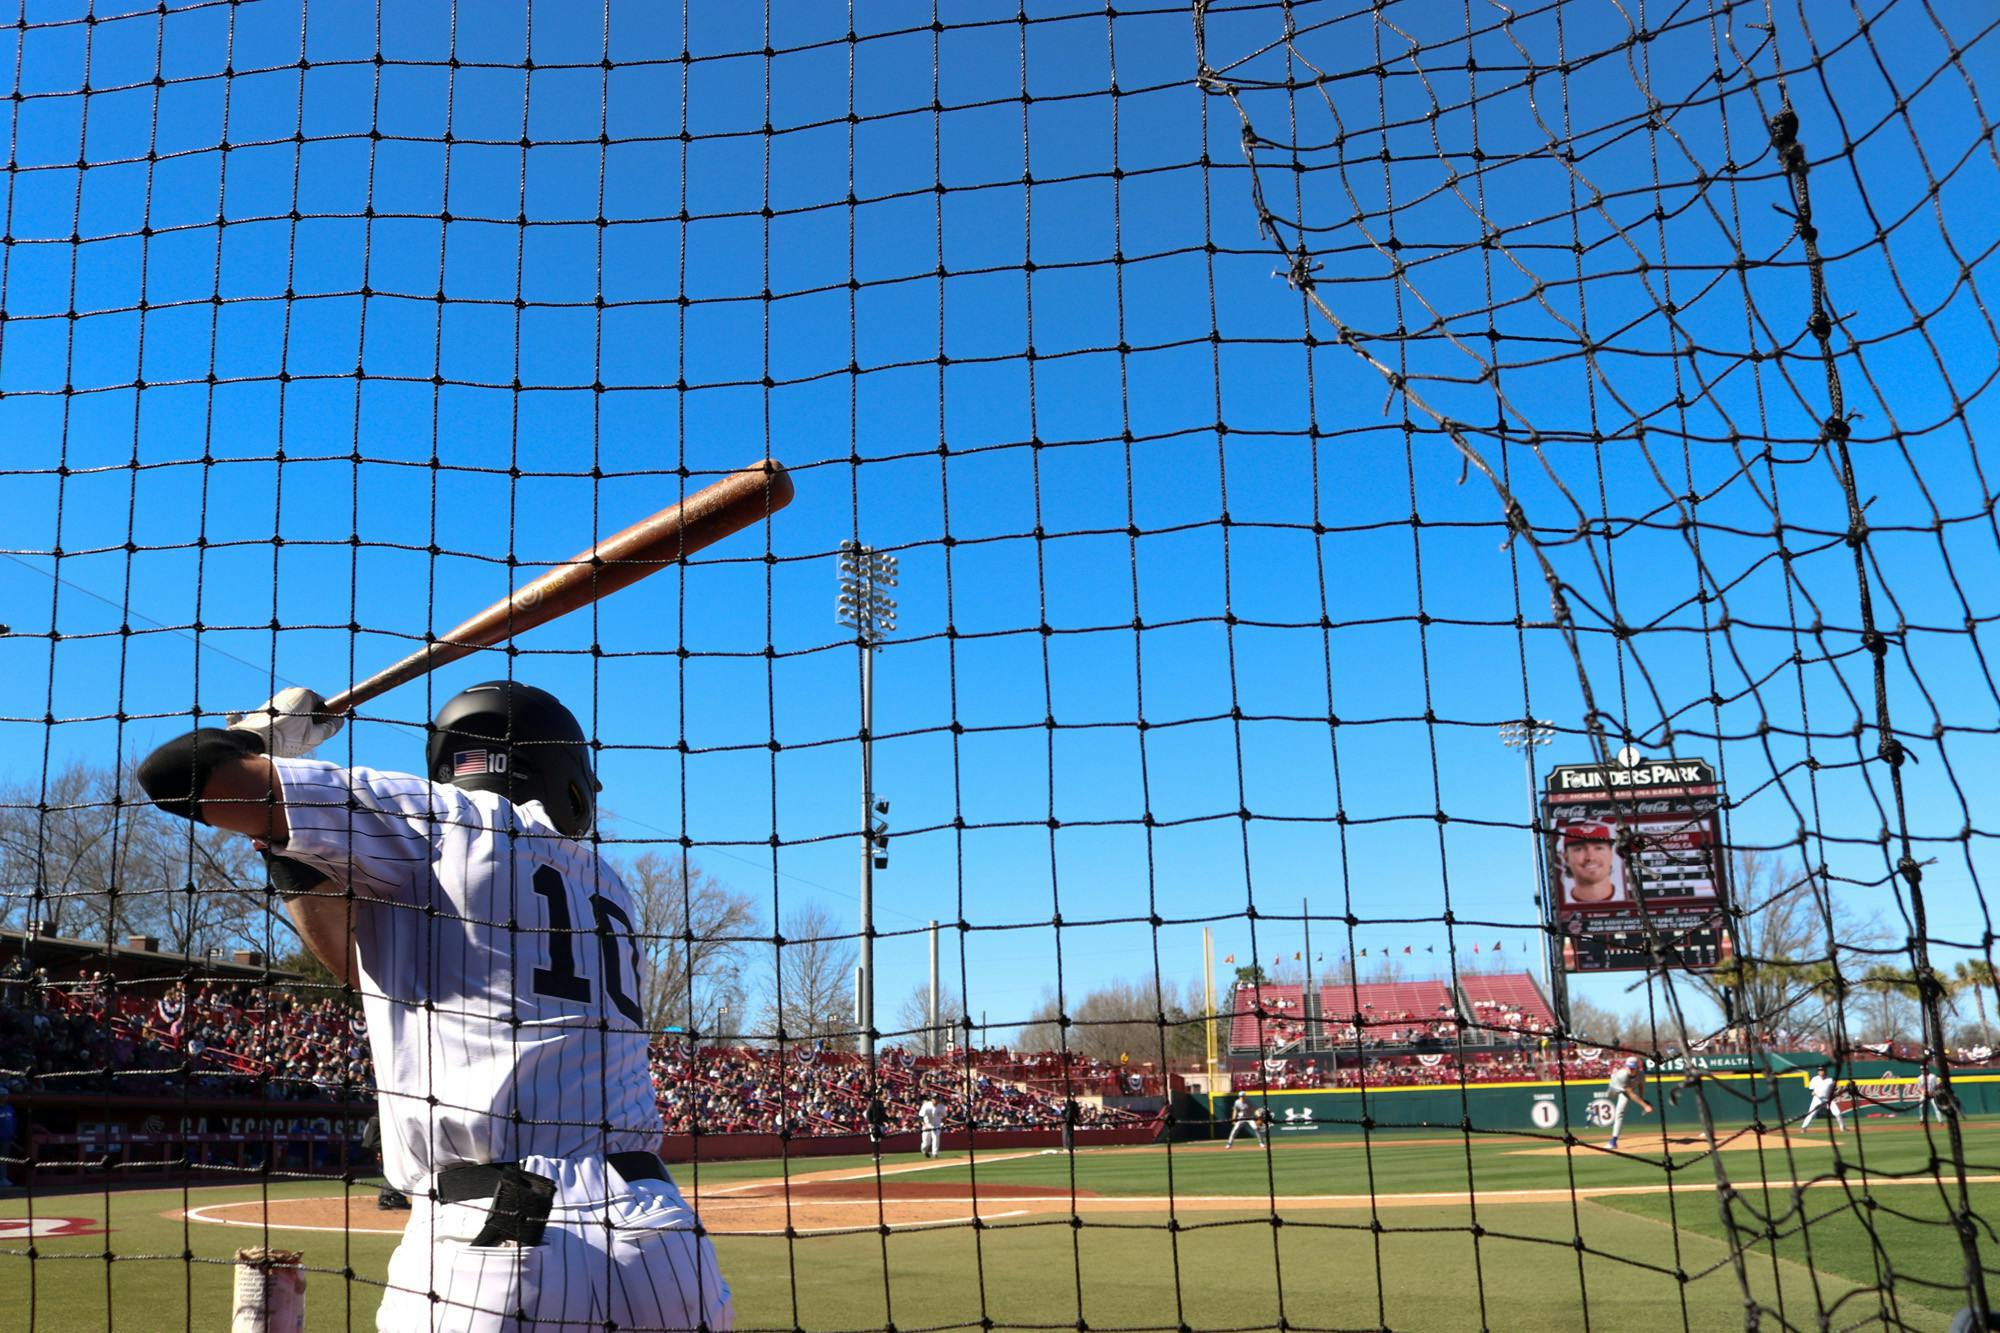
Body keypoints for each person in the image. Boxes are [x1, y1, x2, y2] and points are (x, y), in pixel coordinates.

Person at [136, 683, 732, 1333]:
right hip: (661, 1237)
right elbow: (380, 976)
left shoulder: (438, 817)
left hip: (499, 1235)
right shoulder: (605, 885)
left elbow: (176, 773)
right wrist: (296, 854)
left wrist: (263, 736)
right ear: (565, 773)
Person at [1562, 822, 1623, 905]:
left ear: (1611, 854)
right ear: (1566, 858)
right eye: (1579, 849)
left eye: (1598, 848)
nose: (1590, 857)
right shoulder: (1557, 905)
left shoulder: (1631, 899)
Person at [1604, 1056, 1652, 1150]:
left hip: (1626, 1090)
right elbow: (1631, 1094)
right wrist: (1645, 1105)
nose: (1630, 1069)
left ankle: (1613, 1141)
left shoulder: (1641, 1074)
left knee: (1620, 1112)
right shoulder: (1623, 1074)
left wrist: (1642, 1100)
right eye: (1629, 1067)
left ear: (1637, 1067)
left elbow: (1641, 1087)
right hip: (1615, 1086)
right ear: (1626, 1066)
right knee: (1608, 1095)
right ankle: (1613, 1074)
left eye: (1633, 1067)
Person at [1799, 1066, 1845, 1134]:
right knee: (1811, 1114)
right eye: (1820, 1070)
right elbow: (1811, 1089)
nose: (1821, 1072)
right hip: (1817, 1099)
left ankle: (1842, 1128)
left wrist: (1838, 1091)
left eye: (1822, 1070)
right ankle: (1804, 1128)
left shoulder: (1830, 1080)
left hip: (1828, 1099)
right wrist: (1812, 1092)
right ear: (1818, 1072)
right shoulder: (1814, 1079)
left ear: (1825, 1071)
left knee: (1837, 1112)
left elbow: (1835, 1089)